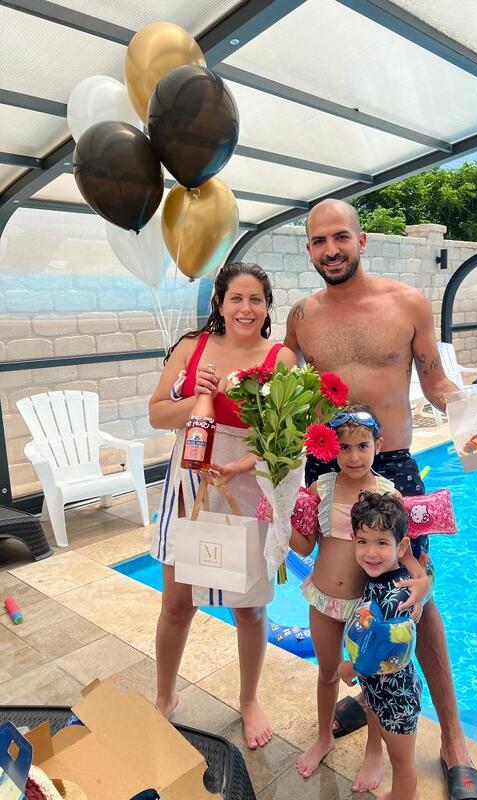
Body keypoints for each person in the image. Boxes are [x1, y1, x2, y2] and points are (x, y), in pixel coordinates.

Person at [284, 198, 477, 799]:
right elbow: (276, 380)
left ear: (362, 240)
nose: (331, 250)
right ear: (309, 249)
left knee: (413, 595)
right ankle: (365, 684)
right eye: (319, 241)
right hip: (326, 464)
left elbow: (435, 380)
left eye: (340, 237)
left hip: (393, 466)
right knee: (344, 590)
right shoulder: (302, 316)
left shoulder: (407, 304)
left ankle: (453, 739)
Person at [149, 261, 296, 749]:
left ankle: (249, 700)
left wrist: (242, 464)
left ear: (268, 307)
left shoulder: (280, 359)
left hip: (245, 488)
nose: (246, 308)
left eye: (256, 299)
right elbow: (156, 413)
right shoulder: (192, 348)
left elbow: (285, 442)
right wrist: (197, 397)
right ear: (219, 302)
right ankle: (165, 696)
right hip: (190, 486)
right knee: (177, 604)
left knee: (248, 609)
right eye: (236, 298)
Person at [289, 406, 431, 788]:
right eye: (345, 447)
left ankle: (374, 751)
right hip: (323, 599)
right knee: (327, 671)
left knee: (372, 682)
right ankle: (324, 737)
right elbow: (304, 545)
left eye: (363, 446)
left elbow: (406, 554)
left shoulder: (388, 493)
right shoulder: (321, 488)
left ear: (378, 445)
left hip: (366, 608)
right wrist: (277, 516)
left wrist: (423, 584)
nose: (354, 456)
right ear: (332, 449)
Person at [339, 491, 424, 800]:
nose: (371, 552)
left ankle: (406, 795)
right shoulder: (381, 580)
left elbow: (383, 649)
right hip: (381, 692)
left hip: (396, 698)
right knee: (398, 758)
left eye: (381, 543)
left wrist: (350, 667)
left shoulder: (396, 595)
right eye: (363, 541)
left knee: (403, 766)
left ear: (400, 547)